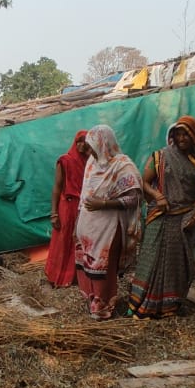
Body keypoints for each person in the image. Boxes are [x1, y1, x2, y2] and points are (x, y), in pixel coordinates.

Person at [127, 115, 195, 319]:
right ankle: (140, 302)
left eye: (186, 134)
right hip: (160, 216)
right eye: (178, 133)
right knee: (150, 260)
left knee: (178, 266)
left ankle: (169, 305)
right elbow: (144, 182)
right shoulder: (160, 156)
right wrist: (158, 196)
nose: (182, 138)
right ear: (173, 135)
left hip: (185, 219)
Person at [74, 124, 142, 320]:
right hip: (88, 227)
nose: (89, 151)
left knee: (103, 266)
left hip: (109, 228)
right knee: (88, 265)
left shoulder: (122, 166)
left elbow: (135, 198)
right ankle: (92, 299)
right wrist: (77, 224)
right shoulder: (91, 163)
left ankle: (103, 306)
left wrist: (104, 204)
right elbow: (84, 196)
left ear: (104, 144)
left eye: (92, 146)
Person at [45, 130, 89, 287]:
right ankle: (57, 277)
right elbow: (57, 188)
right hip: (67, 206)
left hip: (84, 207)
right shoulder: (64, 161)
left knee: (80, 241)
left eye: (85, 141)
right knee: (63, 240)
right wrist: (54, 213)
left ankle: (75, 278)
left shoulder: (91, 163)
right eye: (79, 141)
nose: (82, 145)